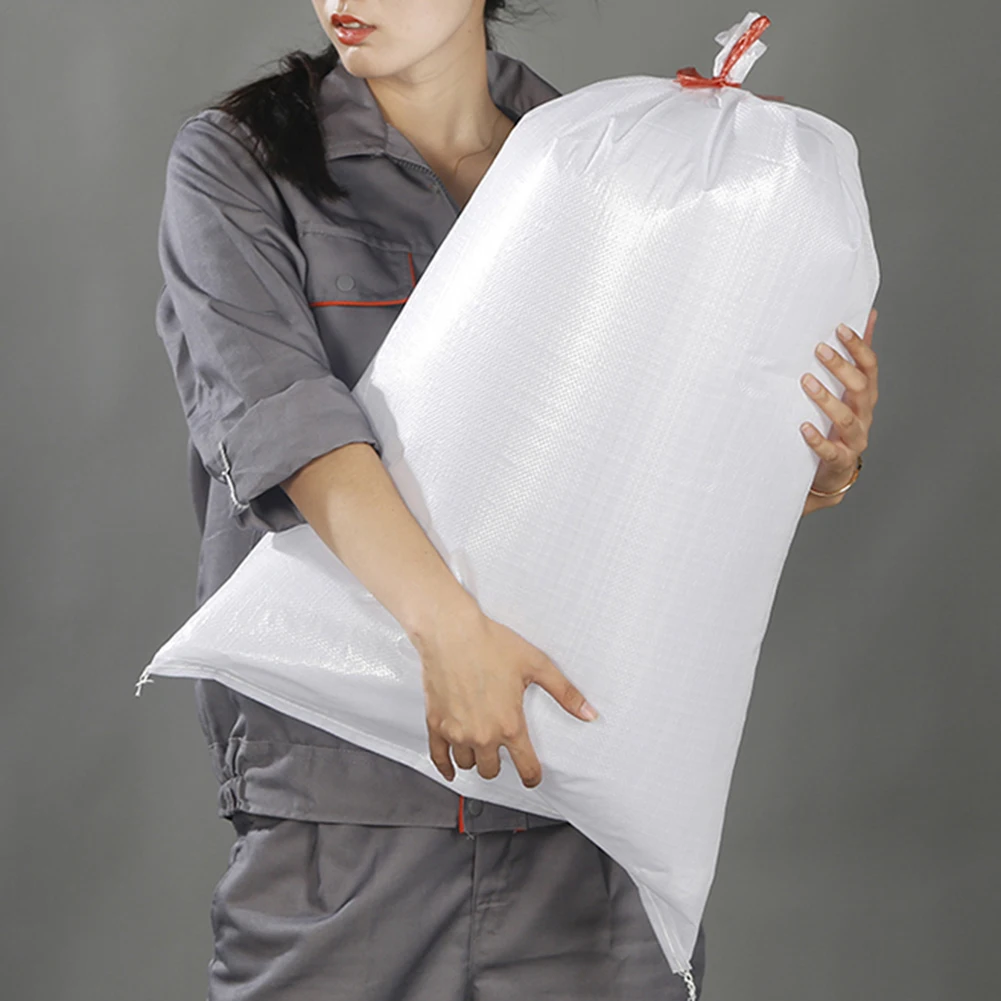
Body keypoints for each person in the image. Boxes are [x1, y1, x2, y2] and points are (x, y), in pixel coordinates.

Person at [154, 2, 880, 998]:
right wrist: (449, 632)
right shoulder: (243, 163)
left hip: (580, 805)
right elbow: (285, 422)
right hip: (354, 806)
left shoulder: (605, 160)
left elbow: (654, 471)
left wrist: (809, 466)